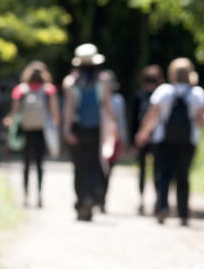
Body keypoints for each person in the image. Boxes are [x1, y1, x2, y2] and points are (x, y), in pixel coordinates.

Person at [135, 57, 204, 226]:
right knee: (183, 176)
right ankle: (183, 214)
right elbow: (202, 121)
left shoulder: (163, 91)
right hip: (188, 141)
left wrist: (142, 133)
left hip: (162, 140)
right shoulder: (197, 93)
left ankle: (163, 207)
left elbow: (151, 116)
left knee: (163, 174)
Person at [62, 44, 117, 221]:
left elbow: (69, 109)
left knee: (79, 167)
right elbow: (107, 107)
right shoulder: (103, 81)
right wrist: (113, 127)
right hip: (96, 129)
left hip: (78, 129)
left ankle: (81, 201)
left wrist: (66, 129)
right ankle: (90, 198)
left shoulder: (70, 82)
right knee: (94, 165)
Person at [4, 61, 60, 207]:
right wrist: (57, 128)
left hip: (26, 129)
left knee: (26, 164)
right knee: (40, 164)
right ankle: (40, 194)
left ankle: (26, 196)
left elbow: (15, 112)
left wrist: (9, 121)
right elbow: (54, 113)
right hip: (42, 130)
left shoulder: (21, 89)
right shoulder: (49, 90)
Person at [130, 65, 164, 215]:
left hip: (141, 138)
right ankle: (158, 201)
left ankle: (141, 201)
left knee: (142, 171)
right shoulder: (162, 95)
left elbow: (133, 120)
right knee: (158, 171)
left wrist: (134, 141)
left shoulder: (138, 95)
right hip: (158, 138)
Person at [100, 70, 128, 213]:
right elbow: (121, 123)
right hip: (111, 138)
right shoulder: (117, 100)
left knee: (101, 171)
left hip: (105, 138)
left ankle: (99, 200)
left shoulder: (99, 99)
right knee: (107, 172)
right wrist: (123, 141)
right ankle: (101, 201)